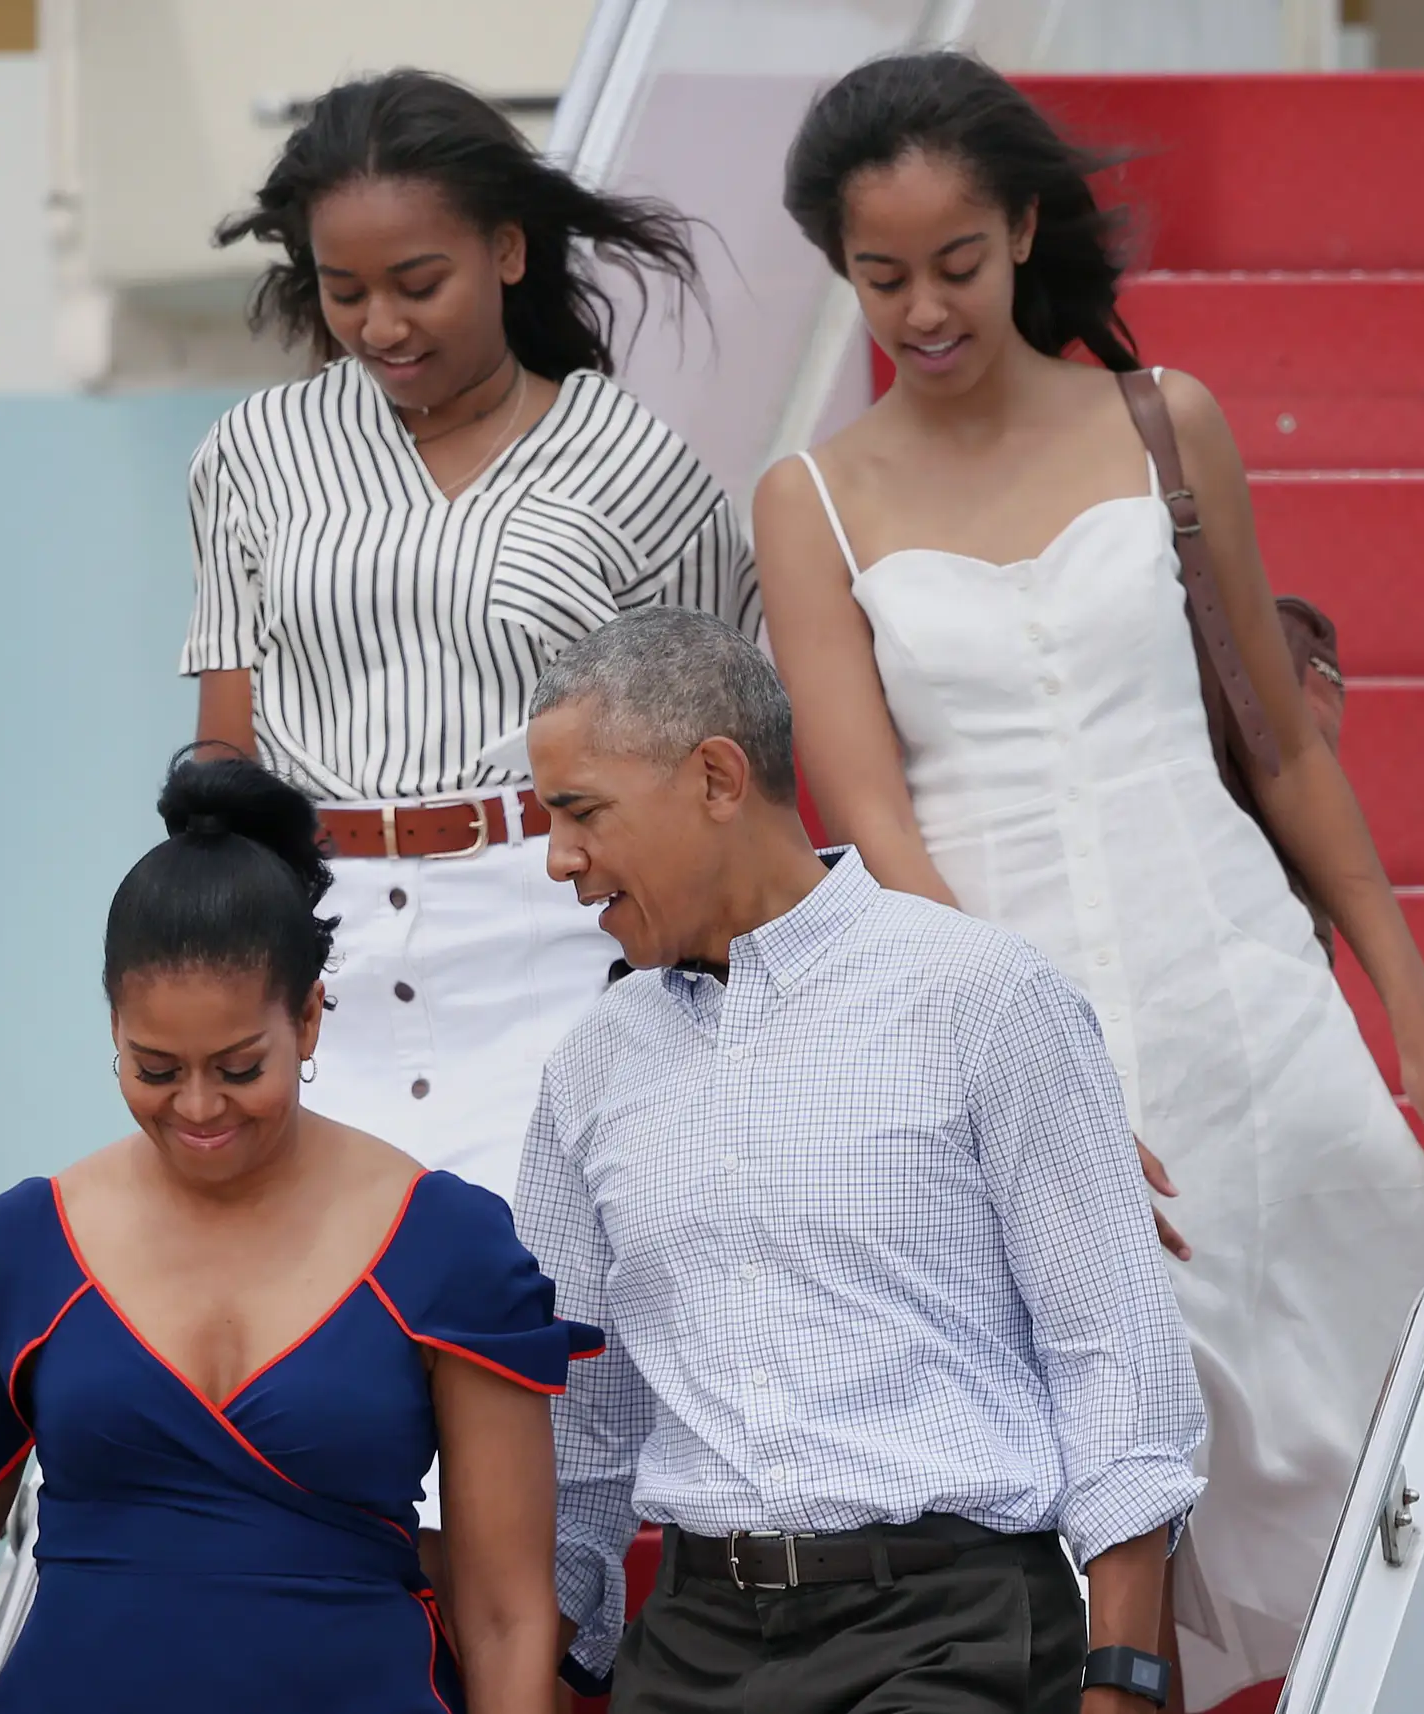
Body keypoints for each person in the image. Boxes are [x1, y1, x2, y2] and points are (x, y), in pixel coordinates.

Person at [750, 51, 1424, 1703]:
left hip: (1232, 972)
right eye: (878, 272)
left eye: (955, 262)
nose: (920, 305)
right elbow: (876, 822)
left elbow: (1276, 744)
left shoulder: (1162, 419)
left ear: (1022, 225)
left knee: (1355, 1377)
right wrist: (1013, 1061)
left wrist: (1413, 1014)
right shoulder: (809, 497)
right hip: (993, 982)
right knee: (1091, 1441)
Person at [0, 753, 598, 1714]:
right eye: (154, 1068)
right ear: (112, 1027)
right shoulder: (16, 1253)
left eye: (241, 1067)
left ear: (310, 1020)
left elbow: (505, 1613)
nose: (199, 1108)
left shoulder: (448, 1244)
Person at [513, 610, 1206, 1714]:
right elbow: (577, 1436)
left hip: (950, 1633)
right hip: (690, 1646)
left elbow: (1118, 1368)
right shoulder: (589, 1068)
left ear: (717, 777)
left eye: (580, 811)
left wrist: (1122, 1683)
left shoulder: (983, 996)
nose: (560, 859)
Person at [185, 68, 758, 1260]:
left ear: (507, 250)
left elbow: (724, 763)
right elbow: (225, 763)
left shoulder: (634, 460)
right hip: (323, 949)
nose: (381, 326)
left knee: (552, 1321)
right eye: (345, 292)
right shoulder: (254, 452)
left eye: (417, 282)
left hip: (561, 937)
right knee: (342, 1336)